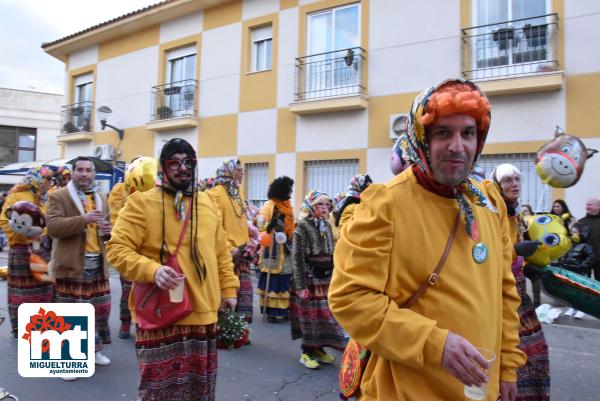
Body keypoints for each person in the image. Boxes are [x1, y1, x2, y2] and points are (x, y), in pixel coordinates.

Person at [330, 78, 526, 401]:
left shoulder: (489, 203)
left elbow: (505, 292)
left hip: (480, 391)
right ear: (421, 138)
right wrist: (436, 344)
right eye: (442, 133)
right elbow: (351, 299)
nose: (457, 146)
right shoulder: (384, 205)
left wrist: (507, 368)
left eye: (468, 133)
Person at [106, 138, 239, 401]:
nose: (182, 168)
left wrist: (229, 288)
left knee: (199, 391)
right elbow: (116, 249)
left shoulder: (207, 203)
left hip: (203, 315)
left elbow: (221, 252)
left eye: (188, 162)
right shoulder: (140, 203)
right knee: (158, 392)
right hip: (161, 315)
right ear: (162, 167)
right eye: (174, 163)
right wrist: (151, 270)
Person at [46, 157, 113, 375]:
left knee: (95, 312)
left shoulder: (101, 197)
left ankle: (92, 351)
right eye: (80, 170)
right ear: (73, 172)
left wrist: (108, 231)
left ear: (93, 174)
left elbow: (105, 233)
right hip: (71, 263)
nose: (84, 174)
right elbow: (54, 228)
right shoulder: (58, 196)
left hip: (97, 263)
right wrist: (83, 219)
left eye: (88, 170)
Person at [490, 163, 550, 401]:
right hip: (498, 295)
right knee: (508, 355)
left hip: (519, 293)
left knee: (535, 353)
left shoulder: (518, 215)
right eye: (507, 180)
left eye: (517, 179)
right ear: (497, 185)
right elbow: (486, 253)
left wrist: (533, 262)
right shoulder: (491, 213)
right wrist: (515, 250)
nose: (514, 184)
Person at [291, 190, 346, 369]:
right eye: (320, 205)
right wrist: (300, 286)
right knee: (311, 317)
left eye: (327, 205)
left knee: (326, 315)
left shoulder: (327, 226)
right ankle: (306, 352)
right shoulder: (302, 227)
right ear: (311, 206)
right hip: (309, 277)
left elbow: (331, 252)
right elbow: (297, 258)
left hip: (325, 278)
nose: (325, 208)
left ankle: (320, 348)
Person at [0, 166, 54, 338]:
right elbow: (4, 220)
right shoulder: (16, 195)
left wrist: (46, 233)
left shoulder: (45, 198)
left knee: (44, 285)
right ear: (38, 179)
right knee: (21, 290)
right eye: (47, 179)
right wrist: (25, 234)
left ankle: (41, 322)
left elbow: (48, 221)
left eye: (51, 180)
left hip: (42, 250)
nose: (50, 183)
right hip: (21, 250)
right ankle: (20, 326)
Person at [208, 159, 254, 324]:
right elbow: (214, 226)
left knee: (245, 295)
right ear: (230, 172)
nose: (242, 173)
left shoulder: (238, 193)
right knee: (226, 295)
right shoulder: (215, 194)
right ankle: (223, 330)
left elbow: (243, 223)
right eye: (239, 170)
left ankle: (241, 330)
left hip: (243, 254)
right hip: (227, 255)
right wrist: (228, 248)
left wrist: (250, 243)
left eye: (242, 170)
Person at [256, 176, 295, 322]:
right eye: (287, 189)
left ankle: (283, 309)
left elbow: (292, 224)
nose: (289, 192)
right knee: (272, 278)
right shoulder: (269, 205)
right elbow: (260, 224)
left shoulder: (288, 206)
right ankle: (271, 310)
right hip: (272, 248)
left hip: (286, 247)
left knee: (284, 277)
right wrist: (269, 226)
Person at [558, 223, 594, 318]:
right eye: (572, 232)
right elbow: (564, 255)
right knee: (570, 291)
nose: (573, 234)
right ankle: (572, 308)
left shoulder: (586, 246)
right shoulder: (570, 244)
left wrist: (582, 265)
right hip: (570, 271)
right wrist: (563, 263)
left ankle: (582, 309)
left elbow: (591, 257)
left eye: (575, 232)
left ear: (581, 233)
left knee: (581, 292)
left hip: (580, 273)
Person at [577, 198, 600, 281]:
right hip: (584, 259)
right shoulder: (581, 222)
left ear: (598, 206)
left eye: (590, 205)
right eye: (587, 205)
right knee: (583, 282)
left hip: (599, 259)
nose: (587, 207)